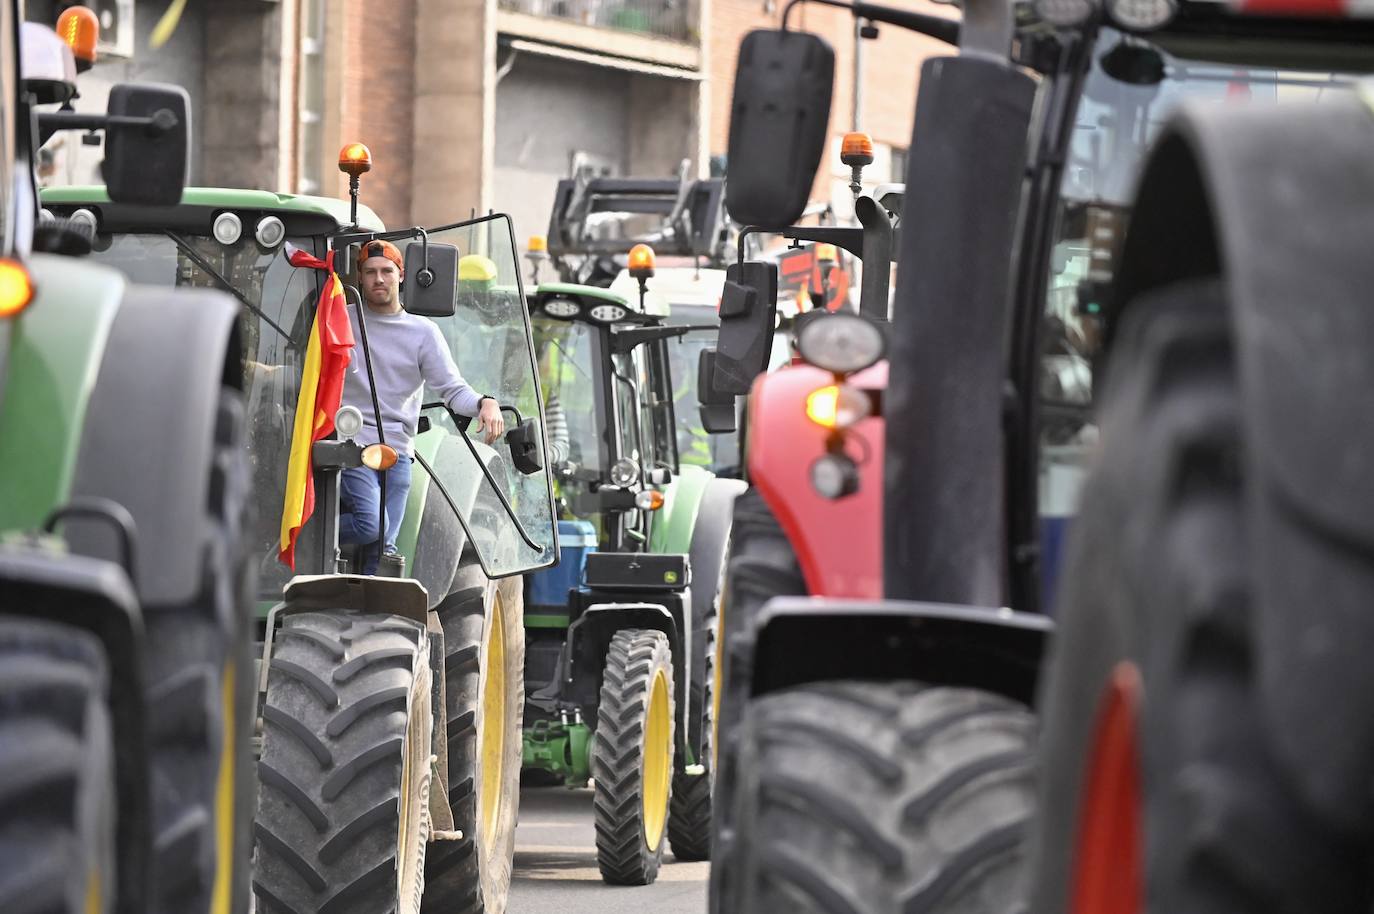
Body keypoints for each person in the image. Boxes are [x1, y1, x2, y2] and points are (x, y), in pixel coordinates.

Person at [340, 239, 505, 572]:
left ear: (401, 276)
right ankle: (302, 532)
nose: (378, 279)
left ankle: (373, 612)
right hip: (351, 445)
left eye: (386, 271)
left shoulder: (422, 333)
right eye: (370, 272)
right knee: (372, 525)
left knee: (385, 547)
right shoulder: (341, 322)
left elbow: (451, 388)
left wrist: (485, 402)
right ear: (359, 278)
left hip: (398, 452)